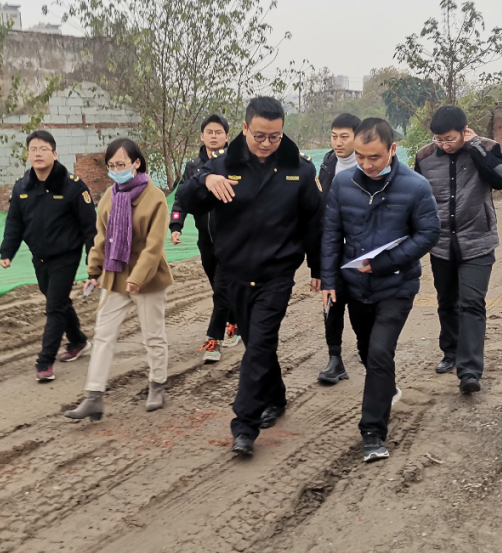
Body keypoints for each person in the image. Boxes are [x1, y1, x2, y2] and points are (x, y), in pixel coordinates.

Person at [177, 96, 322, 457]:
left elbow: (315, 223)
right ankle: (277, 395)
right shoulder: (222, 165)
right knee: (255, 343)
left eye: (274, 136)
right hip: (233, 273)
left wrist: (320, 269)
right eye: (260, 135)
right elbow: (184, 199)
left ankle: (244, 425)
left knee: (258, 344)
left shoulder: (299, 170)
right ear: (244, 129)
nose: (267, 143)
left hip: (276, 275)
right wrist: (205, 180)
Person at [322, 118, 440, 462]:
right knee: (365, 347)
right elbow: (330, 234)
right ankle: (385, 388)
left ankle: (373, 432)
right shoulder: (343, 184)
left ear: (392, 150)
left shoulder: (416, 187)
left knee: (378, 353)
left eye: (374, 157)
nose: (367, 164)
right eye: (360, 156)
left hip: (396, 285)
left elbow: (428, 234)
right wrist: (329, 280)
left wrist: (386, 262)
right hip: (356, 285)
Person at [64, 138, 173, 420]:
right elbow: (101, 239)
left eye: (121, 164)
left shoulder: (155, 197)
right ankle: (93, 397)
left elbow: (154, 246)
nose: (116, 170)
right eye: (112, 165)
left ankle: (157, 384)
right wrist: (93, 272)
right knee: (103, 335)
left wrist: (137, 278)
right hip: (114, 275)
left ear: (137, 163)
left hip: (146, 278)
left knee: (153, 335)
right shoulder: (109, 198)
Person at [413, 106, 502, 393]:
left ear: (465, 131)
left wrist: (475, 148)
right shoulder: (425, 157)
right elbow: (417, 196)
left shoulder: (488, 148)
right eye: (439, 139)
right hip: (441, 242)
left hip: (477, 241)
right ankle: (450, 352)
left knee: (472, 303)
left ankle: (470, 371)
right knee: (446, 301)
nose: (444, 145)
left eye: (450, 139)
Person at [0, 130, 97, 383]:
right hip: (40, 257)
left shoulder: (73, 186)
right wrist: (7, 252)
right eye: (33, 149)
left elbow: (90, 228)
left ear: (54, 154)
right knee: (59, 301)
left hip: (67, 254)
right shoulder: (23, 186)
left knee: (54, 306)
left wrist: (92, 264)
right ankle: (77, 340)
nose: (38, 153)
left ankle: (44, 361)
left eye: (43, 149)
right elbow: (14, 223)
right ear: (28, 154)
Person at [169, 114, 239, 363]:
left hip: (231, 240)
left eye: (219, 132)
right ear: (202, 136)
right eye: (209, 132)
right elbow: (181, 198)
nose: (213, 136)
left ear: (227, 136)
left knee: (220, 291)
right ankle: (234, 322)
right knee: (216, 285)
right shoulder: (193, 167)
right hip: (205, 240)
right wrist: (176, 224)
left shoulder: (236, 163)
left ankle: (214, 340)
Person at [316, 112, 363, 384]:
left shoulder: (368, 163)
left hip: (361, 249)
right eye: (334, 136)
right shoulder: (329, 162)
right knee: (331, 302)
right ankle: (335, 359)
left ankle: (366, 349)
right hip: (333, 245)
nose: (338, 142)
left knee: (360, 304)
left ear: (357, 137)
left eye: (344, 137)